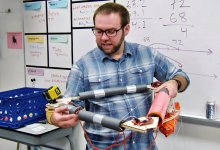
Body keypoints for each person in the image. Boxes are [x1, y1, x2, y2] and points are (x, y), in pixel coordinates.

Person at [49, 2, 190, 150]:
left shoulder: (147, 55)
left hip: (145, 146)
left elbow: (181, 77)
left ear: (126, 29)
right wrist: (56, 118)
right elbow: (69, 106)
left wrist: (175, 83)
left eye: (111, 31)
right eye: (98, 31)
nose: (103, 38)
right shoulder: (82, 67)